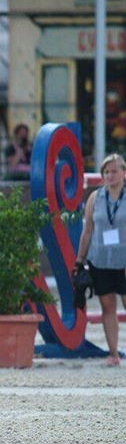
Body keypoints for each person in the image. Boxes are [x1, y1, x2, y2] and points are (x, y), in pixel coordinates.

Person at [75, 153, 126, 366]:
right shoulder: (95, 198)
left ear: (124, 173)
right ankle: (113, 353)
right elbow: (87, 230)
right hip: (101, 260)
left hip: (124, 260)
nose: (109, 175)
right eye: (106, 172)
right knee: (107, 306)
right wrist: (80, 259)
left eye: (114, 171)